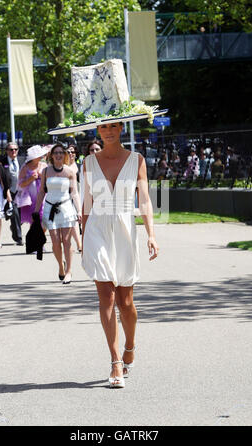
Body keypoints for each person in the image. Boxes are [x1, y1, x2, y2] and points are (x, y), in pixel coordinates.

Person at [82, 122, 159, 388]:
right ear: (97, 131)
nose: (109, 130)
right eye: (103, 127)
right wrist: (82, 238)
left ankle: (130, 343)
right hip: (97, 230)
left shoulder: (136, 160)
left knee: (125, 302)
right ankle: (115, 361)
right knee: (106, 294)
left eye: (114, 125)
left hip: (125, 231)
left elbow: (145, 199)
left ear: (121, 128)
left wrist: (151, 234)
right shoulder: (88, 162)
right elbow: (86, 202)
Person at [34, 143, 82, 283]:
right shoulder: (46, 171)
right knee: (55, 242)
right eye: (56, 152)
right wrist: (36, 210)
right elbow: (42, 191)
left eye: (61, 152)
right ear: (52, 155)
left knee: (67, 241)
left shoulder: (69, 171)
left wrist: (78, 210)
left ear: (65, 155)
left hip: (66, 207)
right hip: (50, 208)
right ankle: (61, 266)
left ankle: (68, 272)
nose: (59, 155)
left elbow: (74, 192)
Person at [15, 145, 47, 226]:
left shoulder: (44, 165)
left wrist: (41, 176)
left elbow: (49, 179)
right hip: (31, 198)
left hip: (44, 196)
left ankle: (38, 236)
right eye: (38, 156)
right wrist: (30, 179)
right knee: (33, 220)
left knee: (44, 220)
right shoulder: (25, 167)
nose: (41, 157)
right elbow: (20, 184)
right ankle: (34, 237)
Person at [1, 142, 25, 245]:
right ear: (7, 151)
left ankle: (14, 227)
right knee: (15, 214)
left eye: (15, 149)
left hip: (22, 192)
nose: (13, 151)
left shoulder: (22, 160)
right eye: (11, 149)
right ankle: (18, 238)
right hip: (10, 192)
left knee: (21, 216)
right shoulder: (2, 162)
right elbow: (1, 178)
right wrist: (7, 193)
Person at [66, 144, 82, 253]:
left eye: (73, 152)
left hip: (80, 194)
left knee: (78, 220)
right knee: (74, 220)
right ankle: (79, 244)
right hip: (68, 196)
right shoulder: (63, 167)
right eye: (68, 152)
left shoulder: (80, 166)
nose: (71, 154)